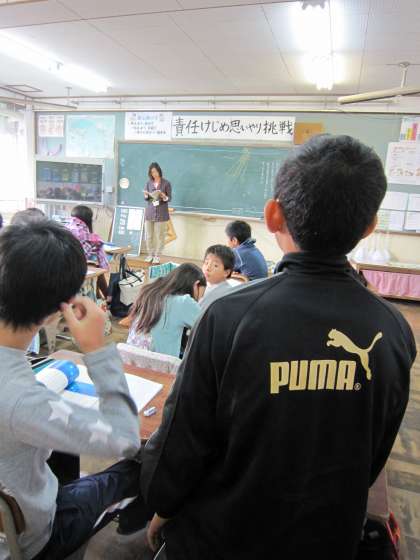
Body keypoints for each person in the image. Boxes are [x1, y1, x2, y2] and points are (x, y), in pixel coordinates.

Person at [140, 135, 416, 559]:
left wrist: (163, 503)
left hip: (223, 539)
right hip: (329, 542)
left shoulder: (228, 316)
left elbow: (183, 440)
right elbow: (373, 456)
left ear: (272, 216)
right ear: (369, 227)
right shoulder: (394, 330)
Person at [0, 221, 147, 560]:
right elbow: (125, 437)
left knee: (61, 455)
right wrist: (97, 349)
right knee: (138, 467)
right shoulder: (22, 400)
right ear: (61, 309)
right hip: (29, 541)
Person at [127, 263, 206, 358]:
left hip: (130, 358)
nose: (198, 300)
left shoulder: (149, 291)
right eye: (200, 296)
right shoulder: (183, 302)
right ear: (196, 285)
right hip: (159, 363)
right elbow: (209, 327)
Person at [66, 205, 109, 300]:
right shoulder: (86, 235)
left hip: (60, 267)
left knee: (94, 267)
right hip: (71, 271)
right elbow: (84, 256)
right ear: (88, 220)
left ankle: (102, 296)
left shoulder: (65, 228)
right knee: (97, 269)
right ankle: (108, 297)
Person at [143, 162, 172, 265]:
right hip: (150, 212)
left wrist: (164, 196)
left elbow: (169, 198)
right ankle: (150, 254)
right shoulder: (148, 183)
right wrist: (146, 196)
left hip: (161, 213)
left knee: (160, 236)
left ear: (159, 171)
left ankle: (157, 256)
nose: (154, 174)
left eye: (155, 171)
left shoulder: (166, 183)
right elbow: (149, 200)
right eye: (152, 172)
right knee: (149, 235)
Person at [200, 244, 235, 309]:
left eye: (215, 265)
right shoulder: (201, 284)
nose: (207, 268)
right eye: (206, 263)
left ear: (226, 272)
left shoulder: (225, 294)